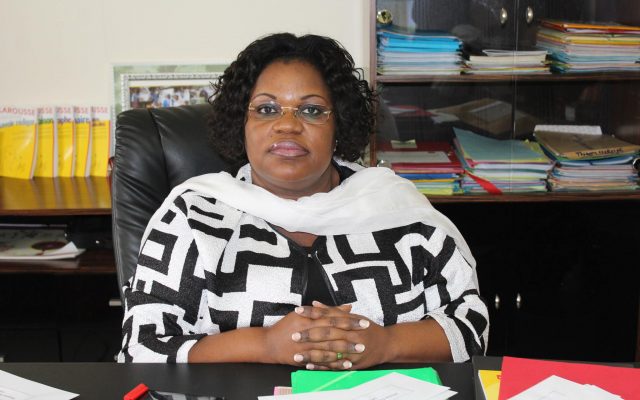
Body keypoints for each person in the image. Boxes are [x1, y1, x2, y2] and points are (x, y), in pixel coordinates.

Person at [118, 33, 488, 369]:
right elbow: (141, 348)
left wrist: (386, 344)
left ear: (338, 125)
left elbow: (470, 328)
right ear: (241, 124)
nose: (288, 125)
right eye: (266, 109)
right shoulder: (195, 216)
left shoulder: (399, 211)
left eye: (311, 110)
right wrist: (265, 345)